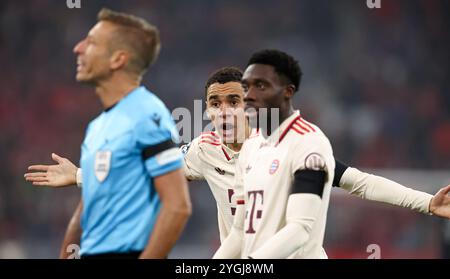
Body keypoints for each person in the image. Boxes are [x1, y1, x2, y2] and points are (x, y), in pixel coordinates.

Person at [26, 66, 450, 255]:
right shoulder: (204, 151)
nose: (225, 109)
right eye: (216, 102)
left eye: (235, 100)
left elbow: (355, 181)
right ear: (207, 111)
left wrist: (426, 202)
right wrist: (81, 176)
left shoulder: (289, 145)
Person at [213, 49, 450, 259]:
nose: (249, 95)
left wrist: (427, 203)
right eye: (246, 87)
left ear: (287, 92)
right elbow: (240, 231)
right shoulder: (251, 148)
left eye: (261, 86)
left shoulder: (308, 145)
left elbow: (301, 229)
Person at [25, 8, 192, 259]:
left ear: (118, 60)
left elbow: (178, 206)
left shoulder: (147, 115)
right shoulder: (98, 126)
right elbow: (88, 206)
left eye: (91, 42)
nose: (78, 48)